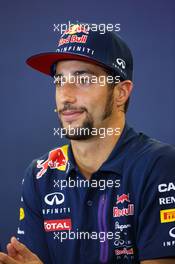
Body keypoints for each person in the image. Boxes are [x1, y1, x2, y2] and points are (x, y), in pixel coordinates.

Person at [0, 24, 175, 264]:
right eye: (60, 81)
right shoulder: (40, 174)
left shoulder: (160, 166)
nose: (66, 96)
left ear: (121, 93)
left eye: (83, 79)